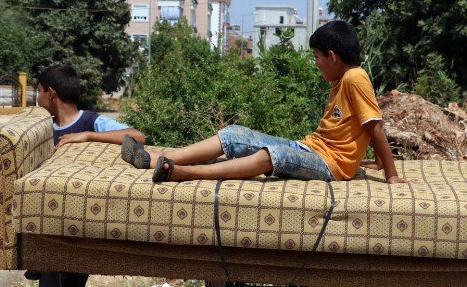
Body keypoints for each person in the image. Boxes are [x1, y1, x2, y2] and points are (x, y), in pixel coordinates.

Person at [8, 64, 151, 287]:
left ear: (51, 93)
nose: (36, 98)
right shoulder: (42, 131)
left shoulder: (91, 122)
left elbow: (138, 136)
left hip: (75, 237)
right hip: (48, 235)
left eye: (39, 91)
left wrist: (87, 138)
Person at [123, 20, 408, 185]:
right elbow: (356, 129)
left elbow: (375, 127)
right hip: (311, 148)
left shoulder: (355, 78)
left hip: (329, 165)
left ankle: (184, 173)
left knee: (273, 156)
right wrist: (378, 163)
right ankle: (151, 160)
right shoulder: (340, 80)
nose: (316, 63)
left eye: (317, 57)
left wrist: (392, 175)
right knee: (235, 134)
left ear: (332, 56)